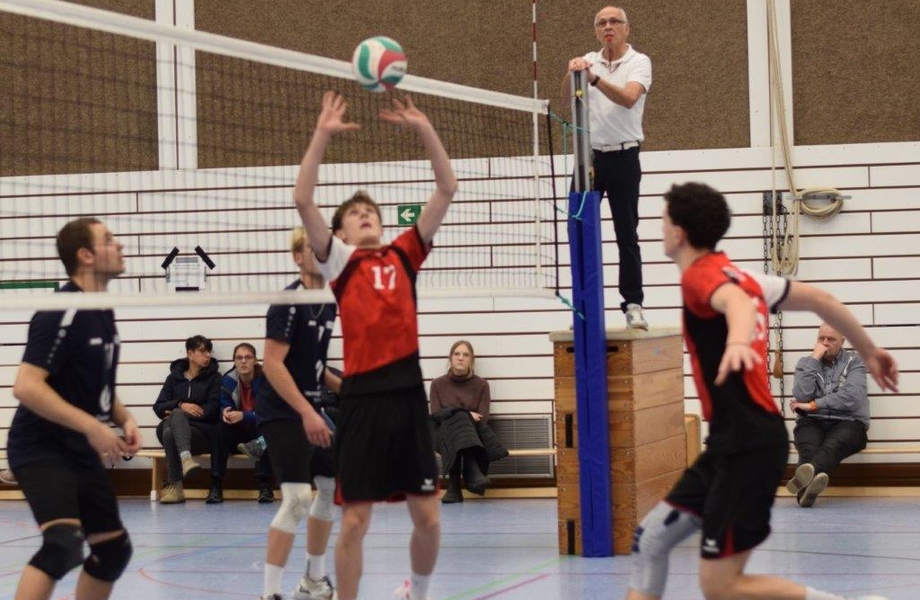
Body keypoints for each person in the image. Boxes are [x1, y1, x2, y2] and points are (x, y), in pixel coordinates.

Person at [623, 182, 896, 600]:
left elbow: (734, 303)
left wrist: (736, 340)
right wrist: (870, 350)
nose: (659, 228)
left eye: (662, 220)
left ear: (678, 232)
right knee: (651, 541)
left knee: (722, 586)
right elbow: (821, 299)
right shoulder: (743, 276)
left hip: (747, 446)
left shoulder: (701, 277)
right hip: (730, 444)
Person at [294, 91, 457, 600]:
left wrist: (424, 127)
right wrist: (321, 134)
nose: (365, 215)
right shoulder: (340, 262)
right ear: (340, 231)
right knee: (355, 522)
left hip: (407, 396)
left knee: (429, 518)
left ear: (383, 226)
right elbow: (303, 199)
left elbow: (447, 187)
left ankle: (418, 594)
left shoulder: (404, 253)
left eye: (371, 211)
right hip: (362, 401)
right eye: (355, 213)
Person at [7, 217, 140, 600]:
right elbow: (26, 386)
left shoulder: (101, 309)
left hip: (77, 449)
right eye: (109, 239)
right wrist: (91, 426)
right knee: (63, 545)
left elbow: (94, 384)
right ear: (86, 255)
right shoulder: (61, 310)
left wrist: (124, 418)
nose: (120, 245)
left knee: (113, 551)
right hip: (41, 447)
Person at [255, 226, 340, 600]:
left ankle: (313, 581)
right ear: (297, 257)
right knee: (297, 499)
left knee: (329, 487)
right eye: (310, 247)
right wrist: (308, 412)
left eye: (323, 247)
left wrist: (347, 387)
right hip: (281, 411)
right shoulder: (288, 302)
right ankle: (270, 593)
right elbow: (273, 364)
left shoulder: (329, 301)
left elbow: (314, 365)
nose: (319, 252)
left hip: (310, 408)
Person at [564, 5, 651, 330]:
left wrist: (594, 78)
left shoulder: (639, 62)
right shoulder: (590, 60)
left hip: (624, 158)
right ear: (596, 31)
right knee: (578, 230)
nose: (608, 26)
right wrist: (573, 72)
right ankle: (584, 307)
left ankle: (633, 304)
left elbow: (629, 98)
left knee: (626, 234)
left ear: (627, 28)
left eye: (615, 21)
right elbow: (566, 97)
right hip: (590, 159)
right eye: (602, 23)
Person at [785, 323, 870, 508]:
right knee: (808, 450)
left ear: (842, 341)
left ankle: (806, 478)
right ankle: (807, 492)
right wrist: (814, 359)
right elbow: (801, 395)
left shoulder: (855, 362)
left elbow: (852, 398)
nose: (825, 343)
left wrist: (814, 405)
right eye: (821, 338)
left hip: (849, 422)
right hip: (812, 421)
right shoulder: (805, 363)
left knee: (832, 446)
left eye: (831, 339)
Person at [429, 340, 508, 504]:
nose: (460, 358)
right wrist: (463, 413)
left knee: (461, 419)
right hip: (442, 433)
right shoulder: (437, 384)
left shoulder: (482, 385)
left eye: (465, 355)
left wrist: (460, 415)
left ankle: (454, 488)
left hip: (473, 433)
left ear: (471, 360)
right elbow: (436, 415)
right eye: (456, 354)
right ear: (450, 358)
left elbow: (482, 418)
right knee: (460, 416)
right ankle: (472, 471)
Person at [152, 335, 221, 504]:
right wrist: (180, 405)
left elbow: (212, 409)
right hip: (175, 431)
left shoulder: (215, 378)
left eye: (209, 351)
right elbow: (158, 406)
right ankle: (186, 460)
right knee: (174, 420)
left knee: (171, 429)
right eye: (203, 351)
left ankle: (176, 488)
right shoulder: (173, 378)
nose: (208, 355)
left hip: (201, 434)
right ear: (190, 354)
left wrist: (179, 414)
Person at [208, 342, 274, 504]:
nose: (243, 361)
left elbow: (270, 414)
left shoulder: (267, 379)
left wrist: (244, 416)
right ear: (234, 361)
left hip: (259, 429)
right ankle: (215, 486)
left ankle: (265, 487)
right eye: (239, 358)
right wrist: (225, 414)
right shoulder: (228, 379)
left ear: (255, 361)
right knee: (219, 430)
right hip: (237, 432)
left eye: (248, 357)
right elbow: (224, 406)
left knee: (268, 431)